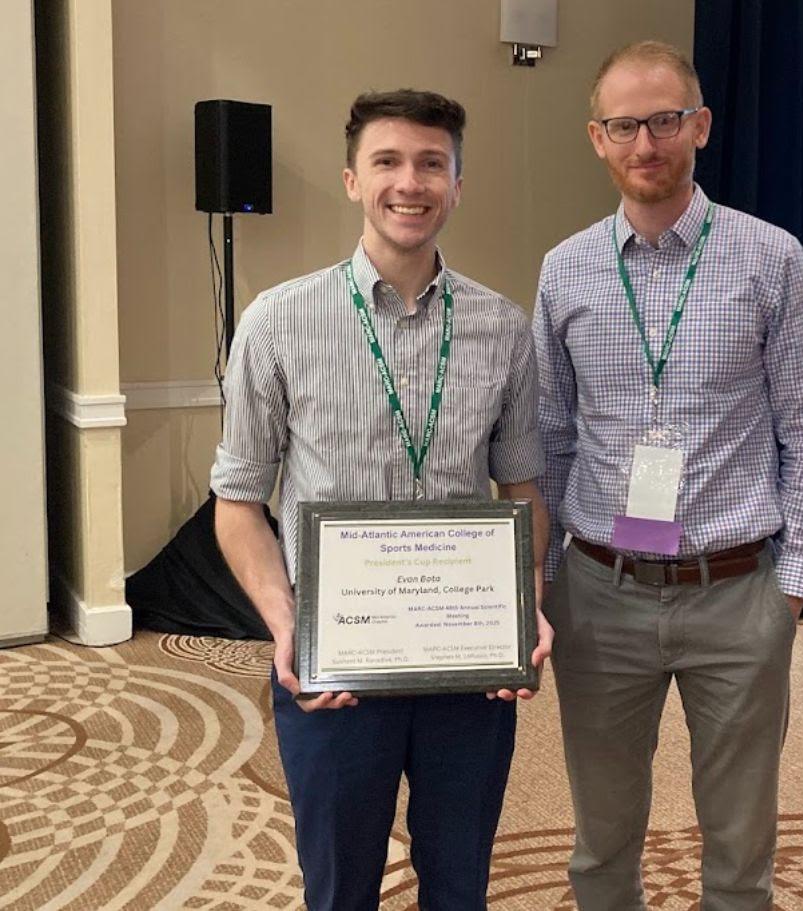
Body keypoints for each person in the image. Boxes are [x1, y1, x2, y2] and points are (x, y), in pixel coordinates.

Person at [210, 89, 552, 910]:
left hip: (466, 669)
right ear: (352, 180)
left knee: (460, 881)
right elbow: (237, 502)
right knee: (338, 886)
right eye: (388, 162)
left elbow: (523, 487)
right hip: (337, 668)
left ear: (457, 184)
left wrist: (526, 600)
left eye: (432, 163)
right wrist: (289, 624)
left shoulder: (502, 329)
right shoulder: (277, 321)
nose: (411, 182)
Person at [533, 41, 803, 910]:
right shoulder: (565, 270)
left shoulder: (769, 257)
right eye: (623, 125)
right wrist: (547, 577)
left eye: (664, 120)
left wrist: (794, 584)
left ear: (698, 126)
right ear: (596, 137)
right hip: (600, 590)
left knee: (740, 844)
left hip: (737, 592)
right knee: (600, 837)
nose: (646, 144)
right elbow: (549, 436)